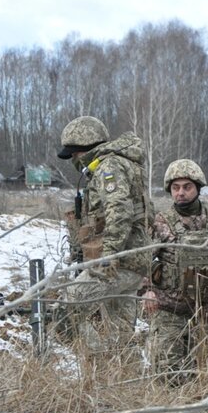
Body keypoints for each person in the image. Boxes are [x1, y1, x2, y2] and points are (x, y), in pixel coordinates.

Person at [56, 115, 152, 362]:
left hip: (118, 261)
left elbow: (119, 210)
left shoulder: (108, 167)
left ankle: (98, 360)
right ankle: (127, 380)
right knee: (122, 333)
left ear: (84, 150)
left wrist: (109, 256)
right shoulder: (119, 163)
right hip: (134, 259)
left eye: (74, 154)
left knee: (66, 309)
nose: (74, 161)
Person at [141, 159, 208, 384]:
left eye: (187, 187)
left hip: (205, 311)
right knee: (167, 373)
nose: (180, 193)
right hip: (170, 309)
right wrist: (147, 290)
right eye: (175, 188)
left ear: (197, 188)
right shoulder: (162, 222)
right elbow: (142, 259)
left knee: (203, 372)